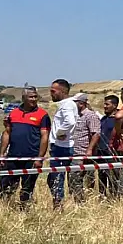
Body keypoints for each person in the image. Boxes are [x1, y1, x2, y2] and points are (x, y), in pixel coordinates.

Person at [0, 87, 50, 209]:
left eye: (36, 97)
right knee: (6, 187)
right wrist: (2, 154)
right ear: (24, 98)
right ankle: (3, 210)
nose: (34, 99)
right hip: (13, 157)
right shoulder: (13, 113)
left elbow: (44, 137)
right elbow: (7, 133)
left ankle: (24, 212)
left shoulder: (43, 115)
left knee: (27, 189)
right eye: (31, 97)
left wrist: (39, 158)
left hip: (31, 159)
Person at [46, 79, 77, 209]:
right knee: (54, 177)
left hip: (60, 147)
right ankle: (59, 202)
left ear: (63, 91)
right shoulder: (65, 104)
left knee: (56, 178)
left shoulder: (68, 105)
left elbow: (70, 122)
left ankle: (58, 206)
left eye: (53, 91)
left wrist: (60, 133)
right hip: (61, 146)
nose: (51, 93)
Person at [68, 93, 100, 203]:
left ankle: (82, 202)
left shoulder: (90, 115)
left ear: (81, 103)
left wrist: (89, 150)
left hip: (83, 153)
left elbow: (95, 134)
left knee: (79, 178)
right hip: (74, 152)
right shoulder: (75, 116)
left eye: (74, 102)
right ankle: (77, 201)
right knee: (73, 179)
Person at [97, 94, 120, 198]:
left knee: (113, 178)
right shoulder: (104, 119)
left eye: (107, 104)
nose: (104, 106)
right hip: (101, 152)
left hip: (112, 153)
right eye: (104, 104)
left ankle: (114, 199)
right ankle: (102, 198)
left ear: (114, 105)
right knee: (101, 177)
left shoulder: (118, 119)